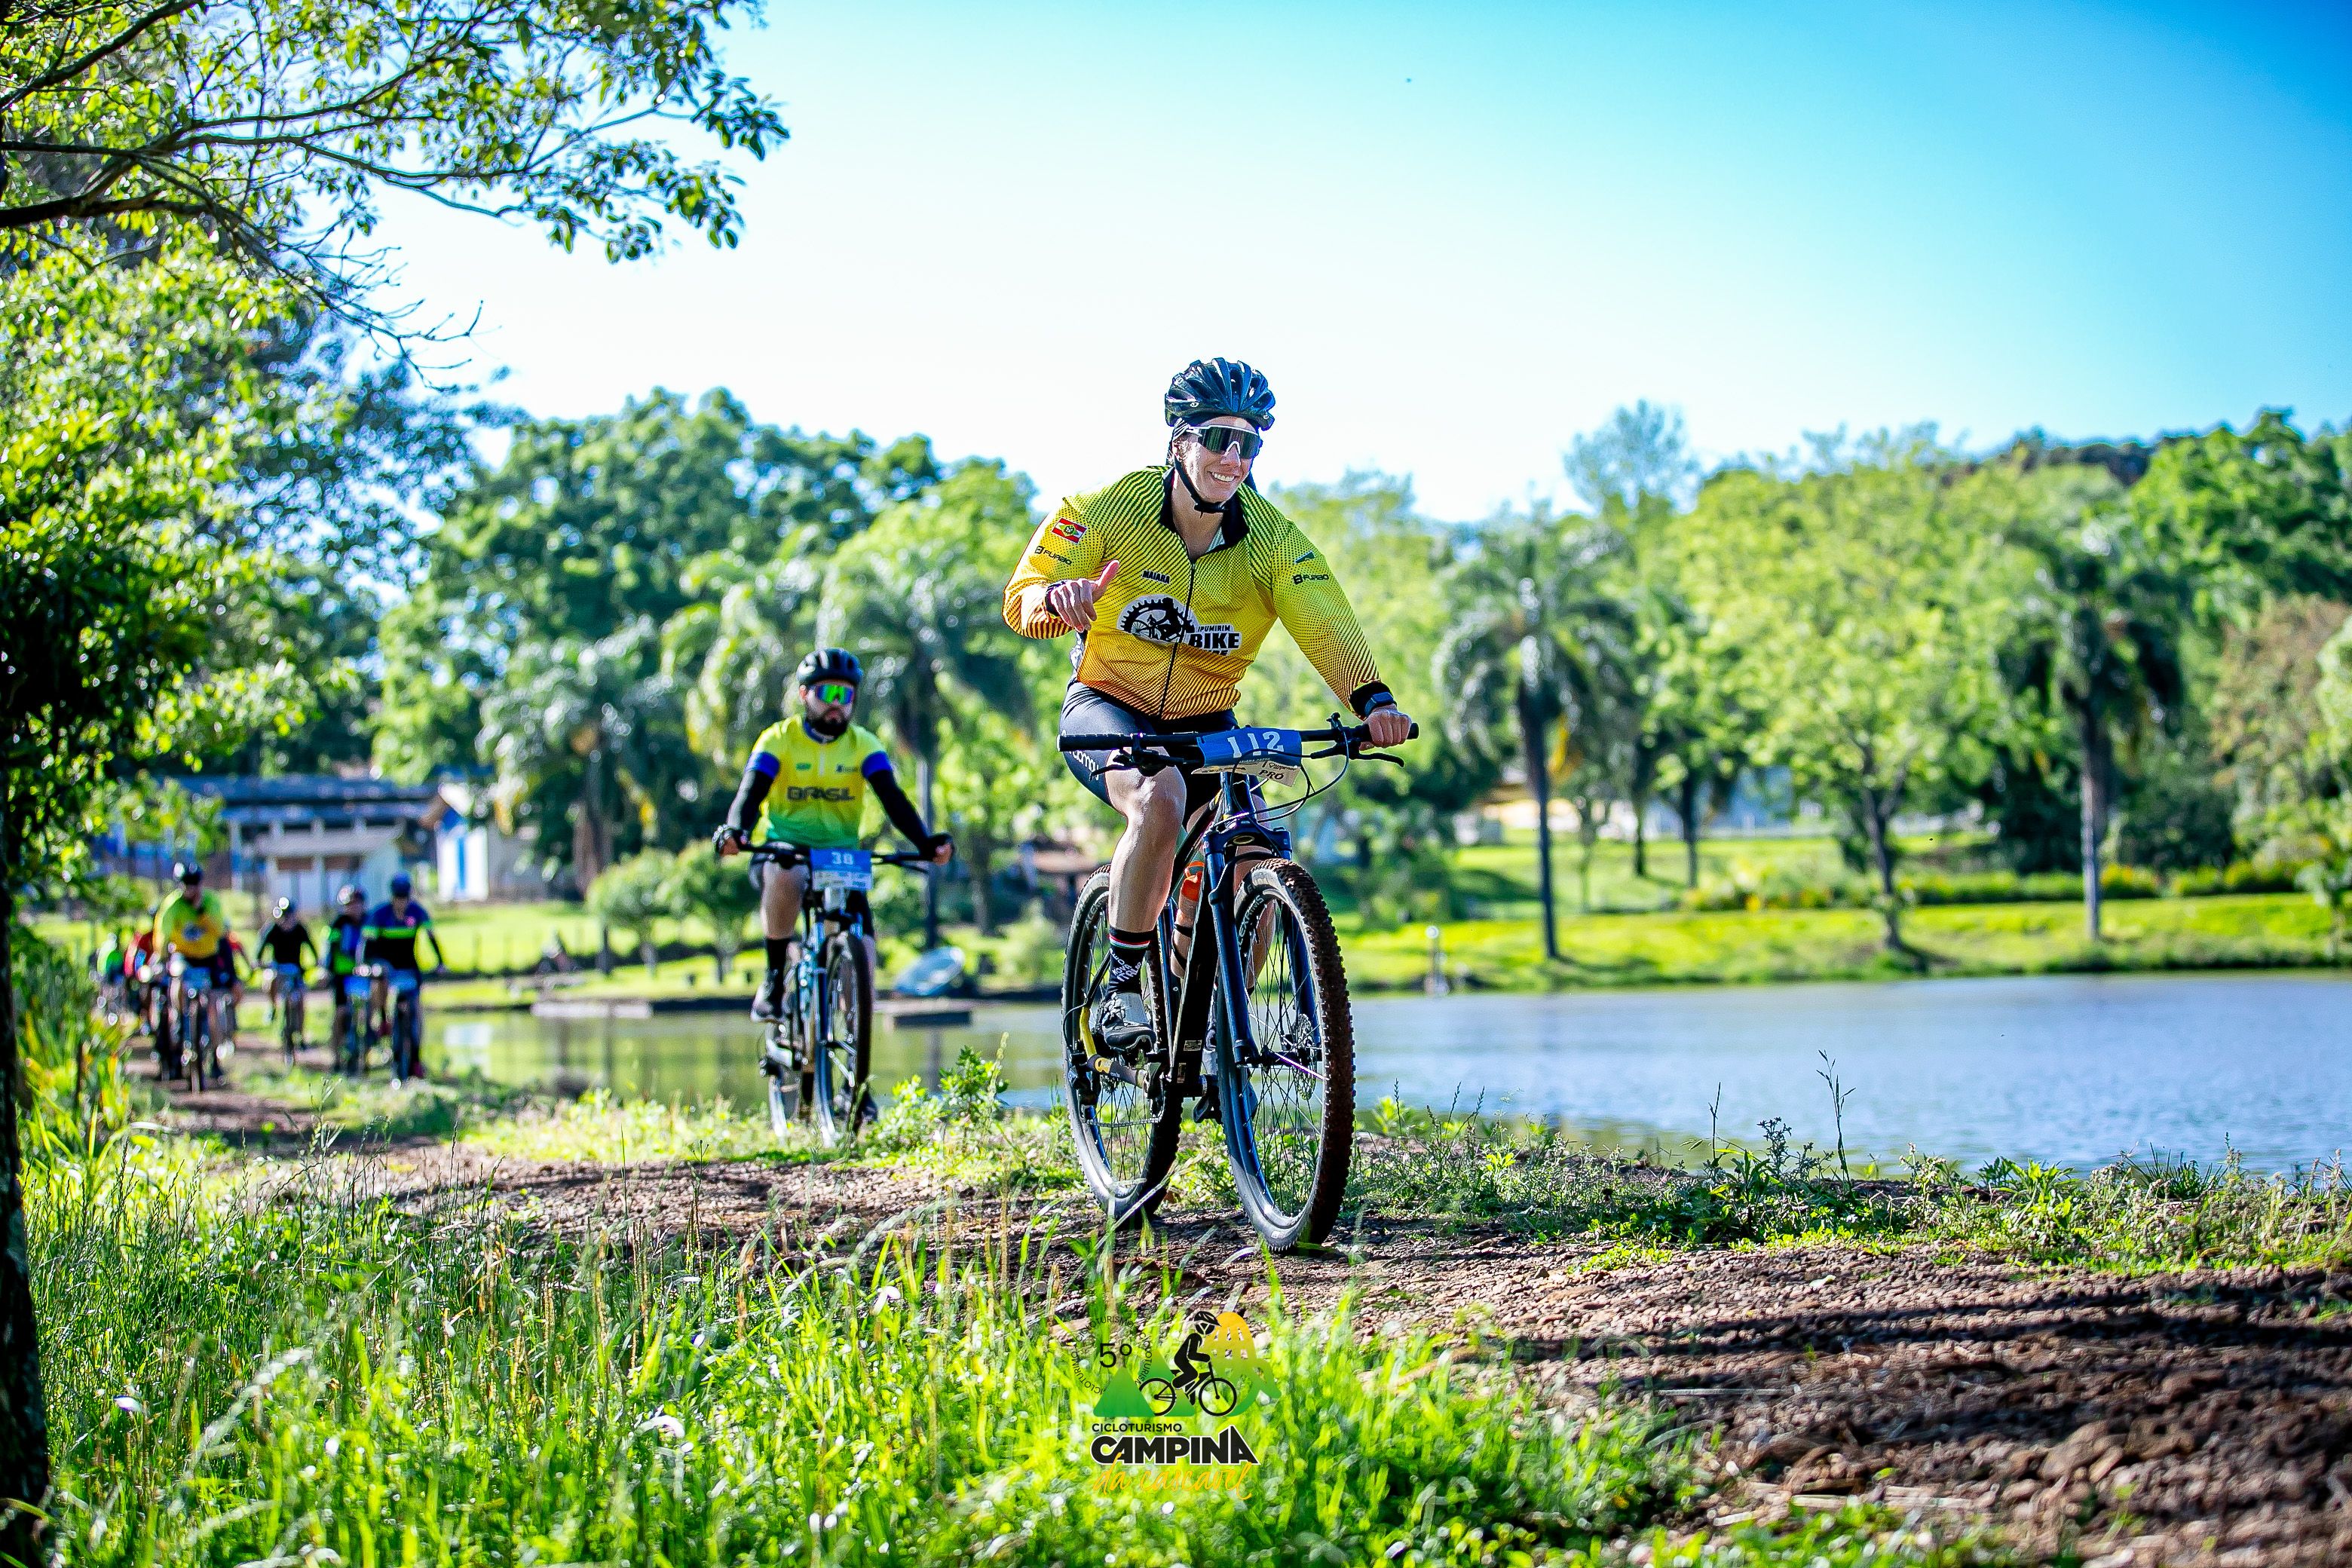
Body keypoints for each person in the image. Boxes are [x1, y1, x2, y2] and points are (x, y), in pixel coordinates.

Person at [1001, 357, 1413, 1058]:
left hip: (1207, 717)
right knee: (1158, 800)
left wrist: (1373, 700)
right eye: (1219, 438)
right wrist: (1056, 599)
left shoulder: (1273, 541)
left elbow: (1325, 621)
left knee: (1257, 846)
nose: (1234, 457)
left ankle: (1221, 1034)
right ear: (1179, 441)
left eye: (1250, 443)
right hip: (1110, 703)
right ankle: (1122, 987)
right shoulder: (1105, 510)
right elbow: (1023, 599)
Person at [713, 648, 954, 1021]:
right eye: (827, 693)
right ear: (804, 694)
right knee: (786, 871)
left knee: (863, 971)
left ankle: (845, 1044)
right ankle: (775, 978)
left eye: (846, 695)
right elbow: (750, 795)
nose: (837, 704)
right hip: (785, 850)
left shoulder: (864, 744)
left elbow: (892, 799)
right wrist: (736, 831)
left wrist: (925, 843)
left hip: (840, 859)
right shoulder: (778, 739)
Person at [151, 860, 235, 1079]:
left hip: (208, 958)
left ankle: (215, 1058)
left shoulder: (211, 901)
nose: (191, 888)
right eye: (186, 884)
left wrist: (202, 912)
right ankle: (180, 1017)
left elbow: (220, 931)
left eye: (194, 883)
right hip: (184, 956)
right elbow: (162, 934)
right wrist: (161, 957)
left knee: (213, 1007)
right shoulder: (173, 904)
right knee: (177, 976)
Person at [323, 884, 369, 1063]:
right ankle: (335, 1055)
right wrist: (327, 970)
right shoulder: (337, 924)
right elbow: (329, 949)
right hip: (341, 974)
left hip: (364, 973)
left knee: (367, 1011)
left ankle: (367, 1048)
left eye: (357, 904)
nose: (354, 908)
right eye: (350, 904)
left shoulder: (369, 921)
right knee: (340, 1012)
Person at [256, 897, 317, 1025]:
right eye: (284, 917)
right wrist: (259, 962)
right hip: (278, 968)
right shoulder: (272, 930)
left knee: (301, 999)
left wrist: (316, 961)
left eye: (289, 916)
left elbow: (312, 948)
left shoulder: (300, 929)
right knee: (271, 980)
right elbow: (260, 951)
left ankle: (301, 1032)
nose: (287, 920)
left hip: (296, 970)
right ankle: (273, 1006)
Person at [1168, 1308, 1220, 1398]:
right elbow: (1191, 1355)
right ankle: (1175, 1386)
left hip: (1183, 1359)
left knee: (1193, 1375)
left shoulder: (1198, 1337)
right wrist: (1206, 1358)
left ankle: (1179, 1389)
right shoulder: (1196, 1337)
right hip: (1181, 1359)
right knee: (1193, 1374)